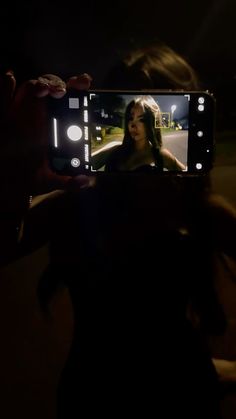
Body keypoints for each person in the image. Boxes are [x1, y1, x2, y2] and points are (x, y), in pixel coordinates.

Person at [1, 42, 236, 419]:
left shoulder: (201, 212)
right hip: (98, 400)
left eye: (143, 119)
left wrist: (207, 371)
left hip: (178, 396)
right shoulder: (75, 205)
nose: (133, 126)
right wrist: (10, 186)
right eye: (130, 117)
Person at [104, 94, 186, 172]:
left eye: (141, 120)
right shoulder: (117, 150)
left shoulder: (160, 155)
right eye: (130, 118)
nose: (133, 125)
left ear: (152, 123)